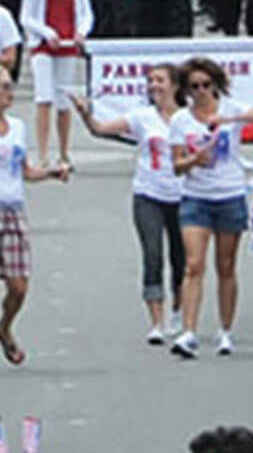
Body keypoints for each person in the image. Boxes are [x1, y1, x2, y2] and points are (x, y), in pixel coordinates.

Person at [0, 66, 70, 376]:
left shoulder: (18, 127)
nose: (10, 93)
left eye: (11, 87)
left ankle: (4, 326)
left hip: (13, 208)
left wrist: (50, 173)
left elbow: (24, 171)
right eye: (4, 87)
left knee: (19, 285)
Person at [69, 64, 185, 345]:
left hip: (183, 195)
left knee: (182, 259)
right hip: (148, 193)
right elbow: (100, 129)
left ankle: (179, 312)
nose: (154, 86)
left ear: (175, 86)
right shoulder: (142, 117)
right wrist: (86, 114)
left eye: (160, 80)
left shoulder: (187, 118)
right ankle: (156, 321)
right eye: (150, 81)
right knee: (153, 254)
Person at [168, 57, 253, 360]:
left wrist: (229, 121)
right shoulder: (181, 121)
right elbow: (176, 165)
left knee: (225, 266)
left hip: (229, 193)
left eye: (206, 85)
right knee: (193, 264)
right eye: (194, 87)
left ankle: (225, 330)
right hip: (195, 196)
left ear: (215, 85)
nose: (201, 92)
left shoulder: (231, 109)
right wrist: (192, 160)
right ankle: (188, 331)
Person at [18, 0, 92, 170]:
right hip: (43, 46)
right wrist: (46, 32)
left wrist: (81, 32)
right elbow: (27, 16)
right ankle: (42, 153)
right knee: (44, 97)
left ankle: (63, 152)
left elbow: (85, 11)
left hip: (67, 45)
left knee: (63, 100)